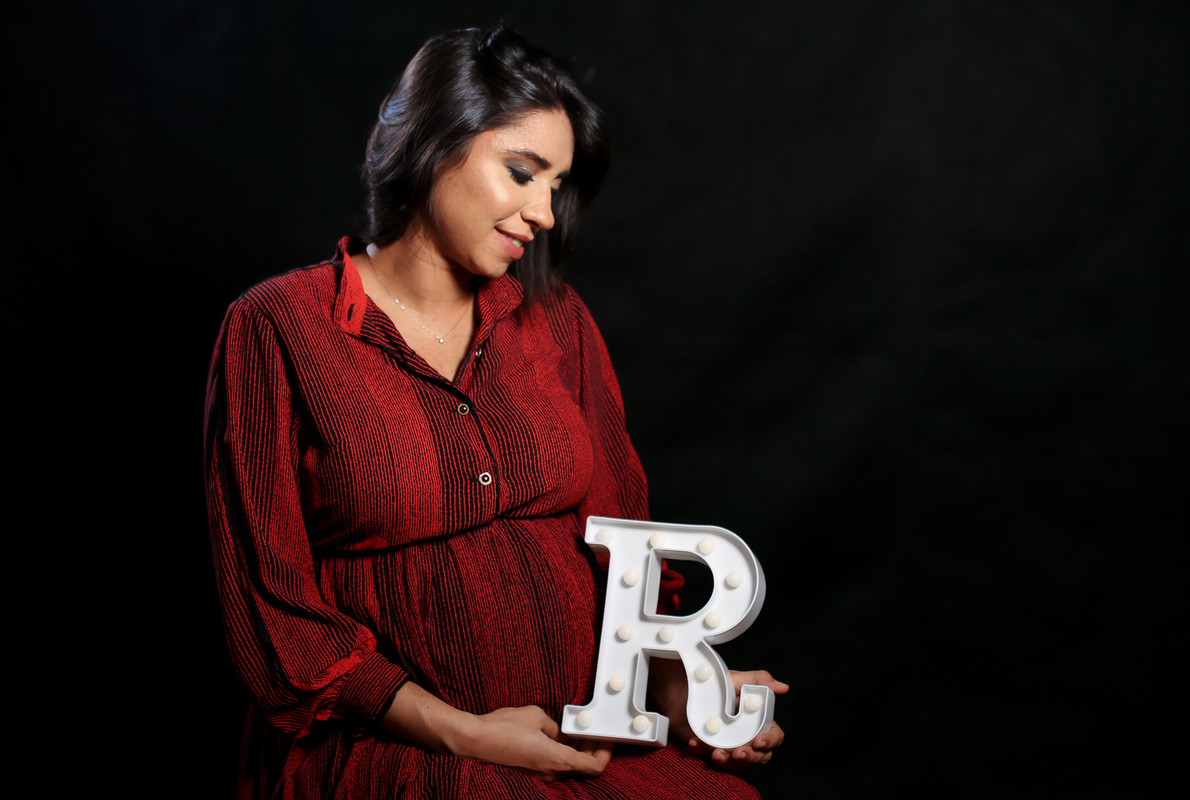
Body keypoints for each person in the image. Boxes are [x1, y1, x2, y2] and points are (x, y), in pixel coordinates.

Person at [205, 26, 786, 799]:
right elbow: (271, 602)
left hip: (584, 737)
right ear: (432, 143)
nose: (545, 212)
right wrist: (463, 731)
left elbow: (623, 550)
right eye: (522, 173)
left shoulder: (556, 320)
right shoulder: (279, 329)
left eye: (558, 186)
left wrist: (683, 692)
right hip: (403, 754)